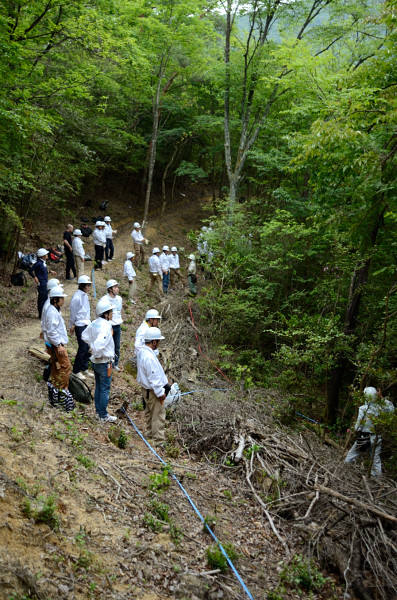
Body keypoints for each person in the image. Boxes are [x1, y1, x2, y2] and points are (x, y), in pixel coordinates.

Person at [345, 386, 395, 476]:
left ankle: (343, 472)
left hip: (364, 437)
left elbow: (358, 425)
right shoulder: (381, 408)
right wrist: (382, 398)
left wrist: (353, 431)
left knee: (351, 455)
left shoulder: (363, 408)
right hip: (377, 438)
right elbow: (391, 409)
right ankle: (377, 481)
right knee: (376, 461)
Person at [82, 297, 117, 423]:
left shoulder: (94, 322)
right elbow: (100, 342)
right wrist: (97, 352)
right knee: (104, 389)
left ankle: (98, 412)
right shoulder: (106, 325)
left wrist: (92, 347)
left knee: (98, 387)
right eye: (111, 312)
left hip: (96, 362)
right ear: (106, 314)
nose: (112, 314)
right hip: (103, 362)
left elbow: (84, 335)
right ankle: (103, 415)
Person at [42, 285, 75, 411]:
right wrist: (59, 345)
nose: (63, 300)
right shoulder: (51, 312)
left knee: (57, 368)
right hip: (56, 346)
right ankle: (62, 392)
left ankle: (55, 391)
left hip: (54, 345)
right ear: (55, 299)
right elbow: (51, 331)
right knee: (65, 367)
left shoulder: (54, 310)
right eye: (61, 298)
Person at [137, 327, 170, 445]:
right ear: (154, 342)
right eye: (158, 341)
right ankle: (159, 441)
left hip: (146, 390)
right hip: (152, 391)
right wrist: (161, 394)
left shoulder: (142, 352)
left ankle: (150, 434)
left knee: (149, 413)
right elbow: (154, 378)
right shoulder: (149, 357)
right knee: (158, 415)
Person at [69, 275, 93, 381]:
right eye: (88, 285)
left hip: (86, 323)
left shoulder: (85, 296)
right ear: (83, 286)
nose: (89, 287)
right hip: (79, 324)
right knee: (82, 347)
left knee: (87, 347)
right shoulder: (76, 297)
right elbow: (73, 313)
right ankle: (76, 370)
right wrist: (72, 325)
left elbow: (87, 311)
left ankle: (84, 367)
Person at [29, 248, 57, 318]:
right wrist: (35, 277)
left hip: (45, 282)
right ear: (43, 256)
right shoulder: (38, 263)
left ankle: (43, 314)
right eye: (46, 254)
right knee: (42, 299)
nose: (47, 255)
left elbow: (42, 272)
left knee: (45, 298)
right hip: (42, 283)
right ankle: (41, 315)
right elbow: (30, 270)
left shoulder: (42, 263)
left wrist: (50, 271)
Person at [102, 279, 123, 371]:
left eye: (117, 287)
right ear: (110, 289)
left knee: (117, 346)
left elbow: (119, 311)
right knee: (107, 345)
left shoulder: (119, 299)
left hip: (117, 325)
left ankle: (115, 363)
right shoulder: (104, 300)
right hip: (108, 326)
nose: (117, 289)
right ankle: (107, 363)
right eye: (115, 287)